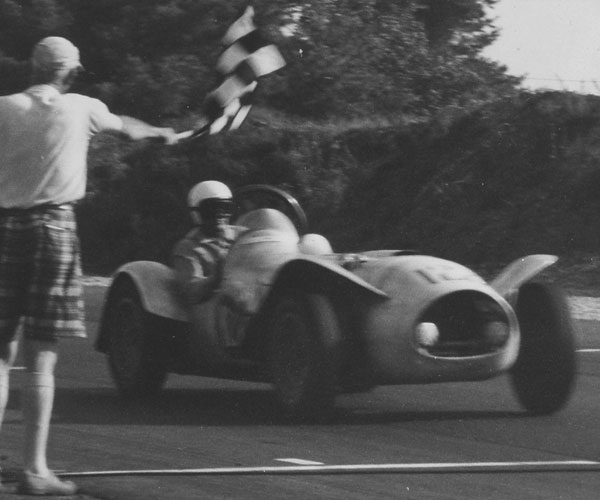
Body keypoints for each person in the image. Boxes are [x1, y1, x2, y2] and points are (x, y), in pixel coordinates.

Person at [0, 36, 178, 495]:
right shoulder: (82, 107)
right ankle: (35, 469)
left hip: (4, 227)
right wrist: (163, 132)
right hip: (54, 229)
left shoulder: (2, 108)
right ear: (72, 72)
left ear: (31, 67)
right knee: (41, 353)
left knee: (0, 351)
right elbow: (131, 129)